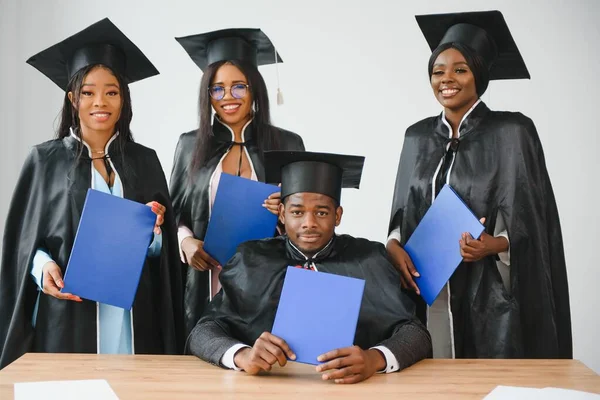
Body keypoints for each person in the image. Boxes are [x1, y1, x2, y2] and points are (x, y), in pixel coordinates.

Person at [0, 18, 184, 369]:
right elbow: (23, 244)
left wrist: (153, 231)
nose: (100, 102)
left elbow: (162, 255)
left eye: (112, 91)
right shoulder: (44, 160)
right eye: (88, 92)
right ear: (72, 98)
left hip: (132, 314)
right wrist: (43, 269)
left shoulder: (145, 161)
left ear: (123, 97)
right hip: (70, 311)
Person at [386, 11, 571, 359]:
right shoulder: (417, 137)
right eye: (438, 71)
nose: (447, 79)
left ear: (479, 75)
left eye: (460, 69)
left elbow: (533, 220)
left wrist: (495, 245)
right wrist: (392, 245)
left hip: (489, 291)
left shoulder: (512, 132)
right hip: (428, 287)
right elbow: (402, 211)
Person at [188, 151, 431, 384]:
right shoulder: (250, 259)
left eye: (322, 212)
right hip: (266, 388)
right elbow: (203, 331)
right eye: (297, 212)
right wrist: (243, 356)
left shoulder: (370, 258)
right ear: (282, 214)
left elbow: (416, 333)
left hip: (349, 388)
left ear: (338, 216)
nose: (309, 223)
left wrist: (373, 359)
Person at [170, 28, 305, 336]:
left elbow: (309, 215)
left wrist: (286, 211)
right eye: (217, 89)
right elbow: (173, 211)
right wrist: (185, 242)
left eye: (238, 87)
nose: (227, 97)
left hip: (267, 278)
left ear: (255, 89)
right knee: (209, 354)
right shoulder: (190, 145)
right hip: (206, 276)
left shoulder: (287, 143)